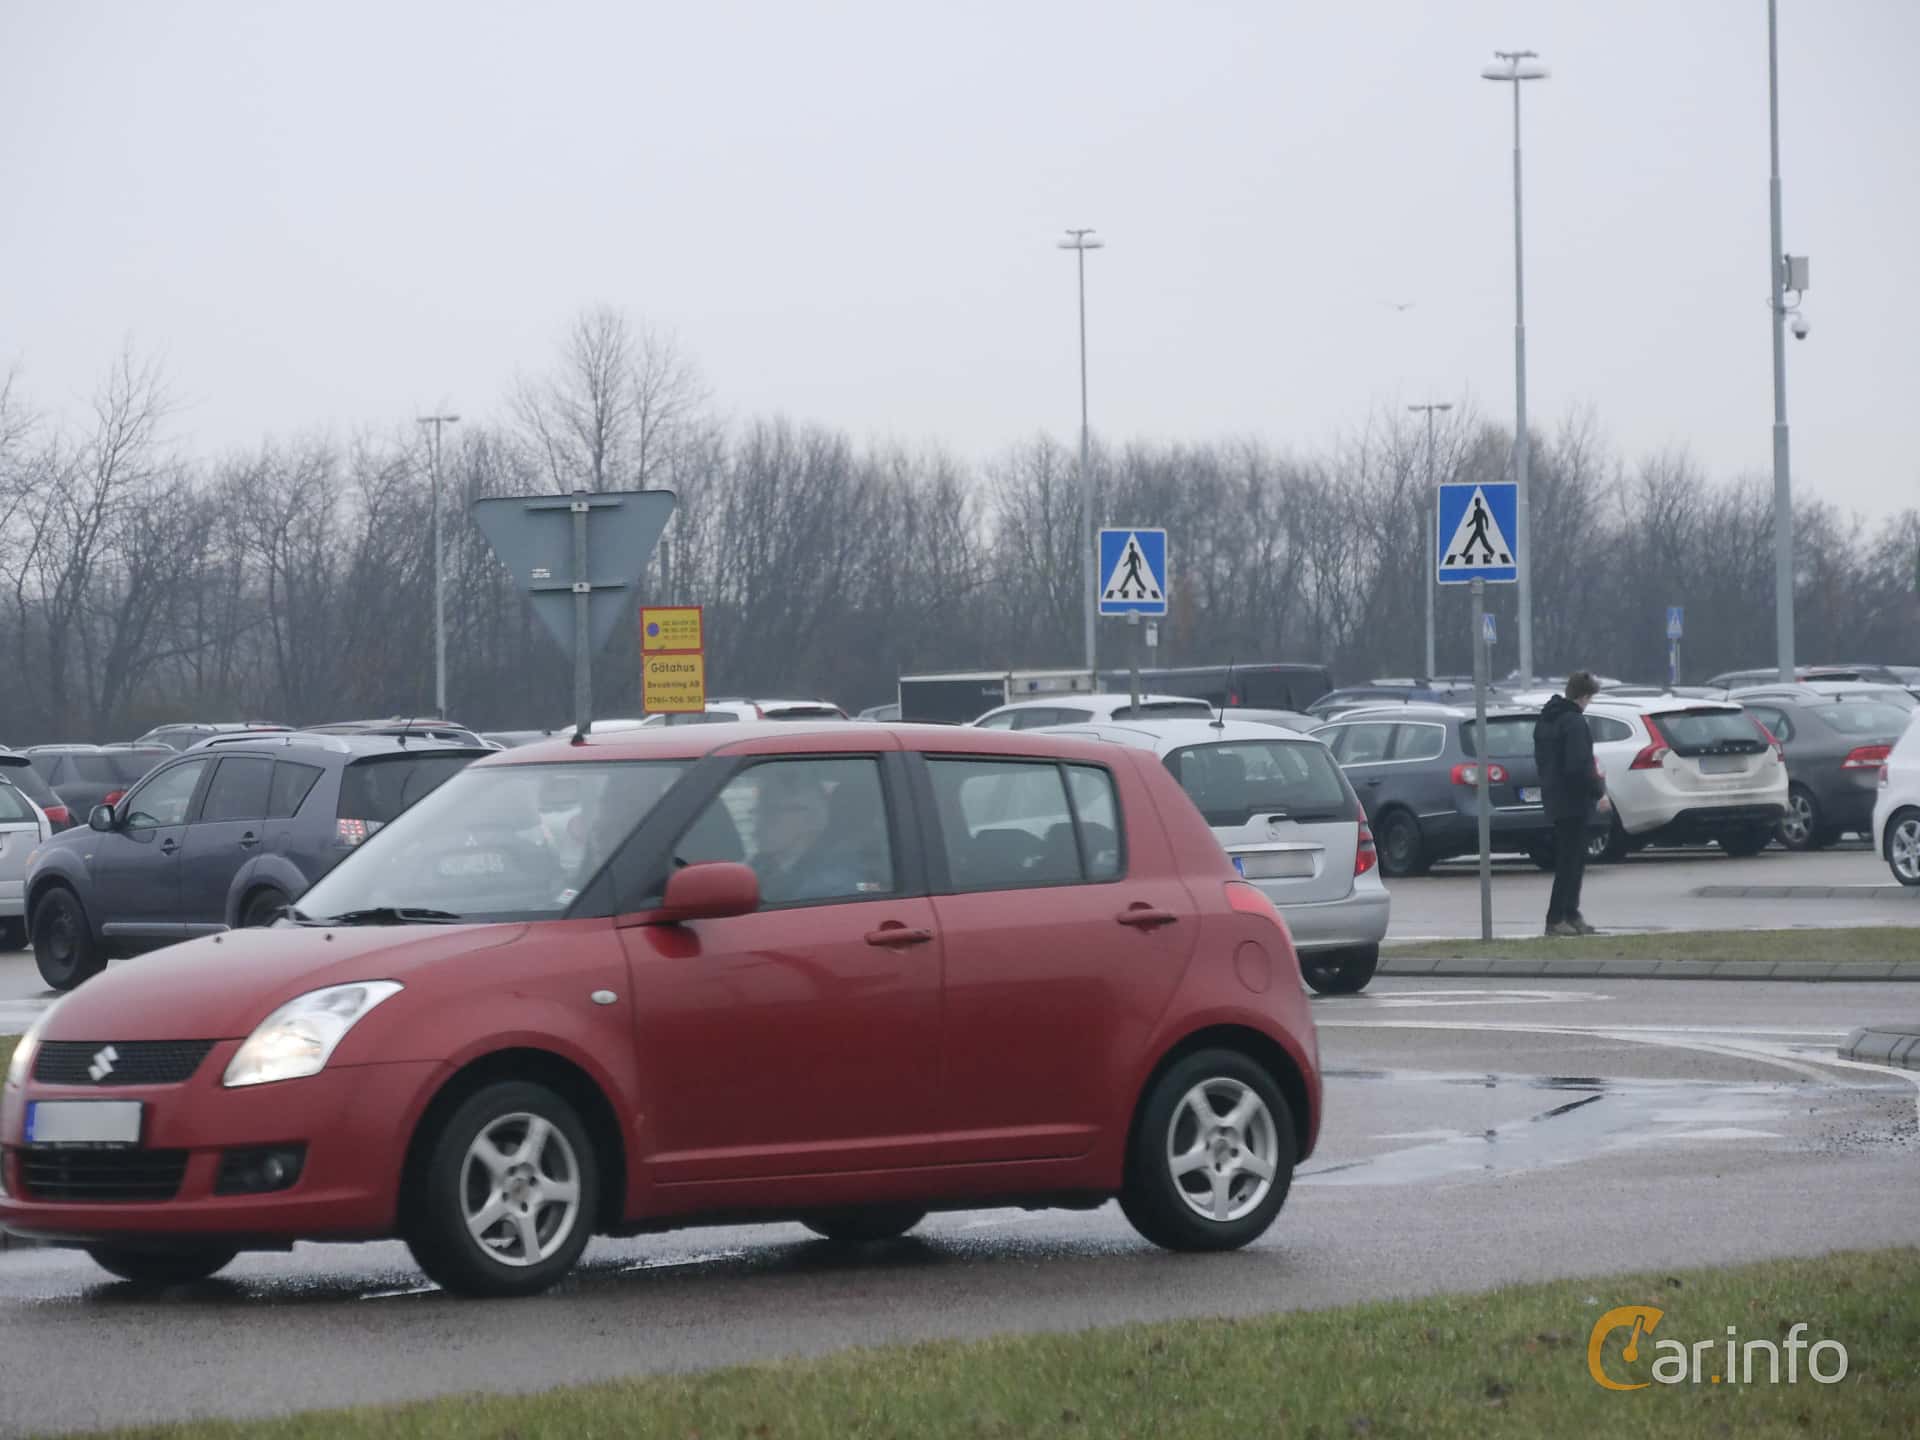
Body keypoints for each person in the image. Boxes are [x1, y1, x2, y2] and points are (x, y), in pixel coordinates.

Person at [1533, 670, 1610, 937]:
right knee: (1571, 862)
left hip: (1555, 797)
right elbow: (1579, 765)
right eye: (1590, 697)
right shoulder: (1575, 723)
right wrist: (1598, 791)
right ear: (1584, 696)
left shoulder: (1546, 720)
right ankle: (1557, 917)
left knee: (1570, 859)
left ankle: (1571, 914)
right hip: (1574, 800)